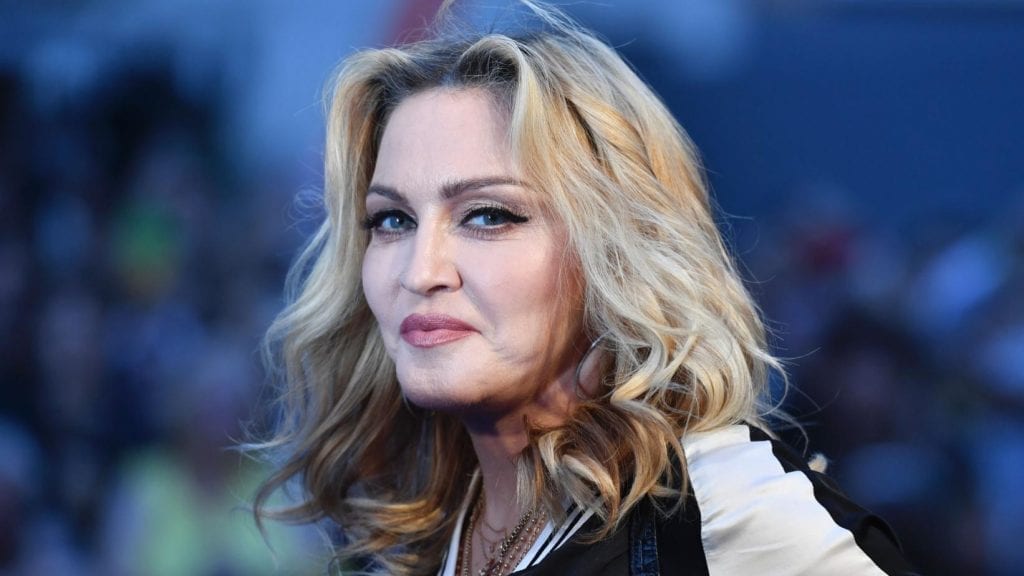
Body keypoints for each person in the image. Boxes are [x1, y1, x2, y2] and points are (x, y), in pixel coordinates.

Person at [252, 2, 917, 574]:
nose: (420, 271)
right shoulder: (405, 536)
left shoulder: (728, 511)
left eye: (488, 215)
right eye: (392, 220)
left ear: (614, 250)